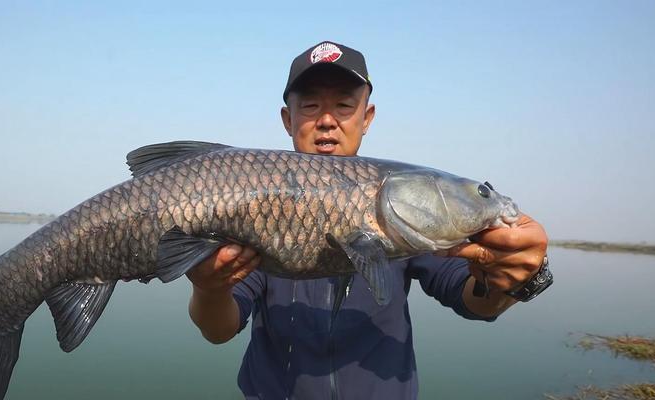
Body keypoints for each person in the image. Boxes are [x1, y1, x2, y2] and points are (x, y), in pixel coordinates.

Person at [186, 41, 551, 399]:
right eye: (311, 106)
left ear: (367, 117)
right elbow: (219, 330)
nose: (327, 121)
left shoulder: (403, 208)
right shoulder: (259, 201)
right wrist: (209, 287)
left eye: (344, 106)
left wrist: (511, 278)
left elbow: (473, 301)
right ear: (288, 119)